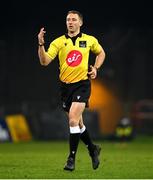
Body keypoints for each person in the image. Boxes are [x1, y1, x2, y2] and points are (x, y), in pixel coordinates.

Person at [37, 10, 106, 171]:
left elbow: (101, 53)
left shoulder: (89, 40)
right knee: (79, 124)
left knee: (73, 120)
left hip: (82, 84)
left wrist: (95, 68)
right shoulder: (59, 42)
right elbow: (44, 61)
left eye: (74, 19)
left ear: (80, 23)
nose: (70, 22)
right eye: (68, 19)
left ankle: (71, 159)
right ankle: (92, 148)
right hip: (65, 88)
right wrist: (41, 45)